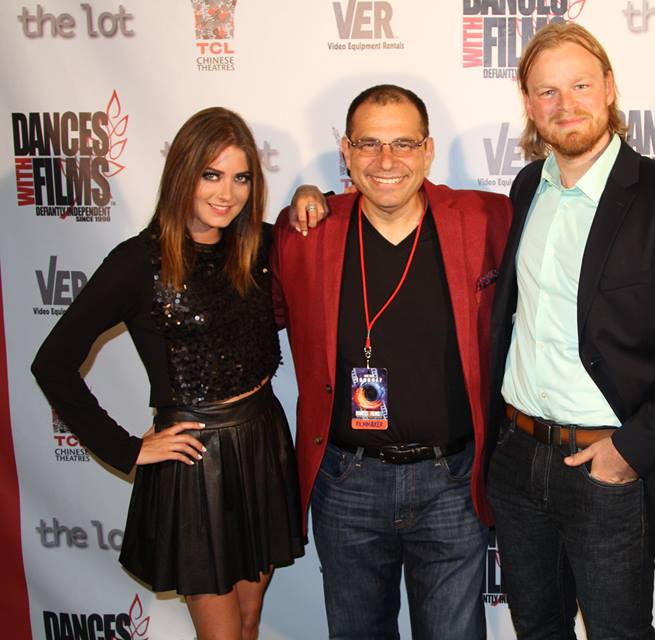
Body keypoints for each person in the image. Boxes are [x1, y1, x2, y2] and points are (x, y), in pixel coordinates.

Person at [484, 23, 655, 639]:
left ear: (608, 87)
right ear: (528, 105)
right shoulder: (528, 187)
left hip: (606, 468)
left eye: (579, 84)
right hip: (519, 460)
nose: (565, 104)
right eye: (546, 91)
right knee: (537, 630)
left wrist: (630, 451)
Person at [32, 107, 304, 640]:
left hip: (262, 444)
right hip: (196, 463)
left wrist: (312, 193)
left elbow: (327, 227)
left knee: (250, 620)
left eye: (240, 177)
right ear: (183, 173)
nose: (227, 193)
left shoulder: (260, 246)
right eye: (211, 174)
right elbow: (53, 362)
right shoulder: (138, 261)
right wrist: (129, 448)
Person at [272, 85, 511, 639]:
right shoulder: (304, 233)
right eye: (369, 144)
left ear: (428, 151)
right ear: (346, 153)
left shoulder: (485, 219)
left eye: (403, 143)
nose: (386, 162)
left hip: (452, 479)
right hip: (346, 480)